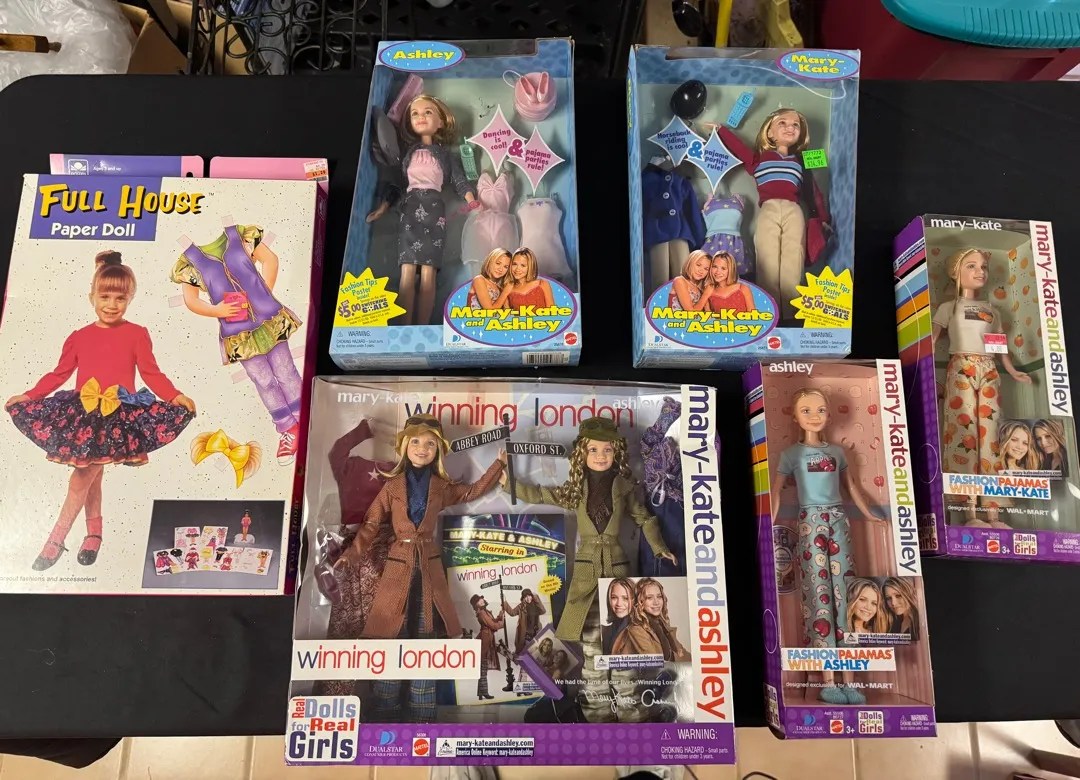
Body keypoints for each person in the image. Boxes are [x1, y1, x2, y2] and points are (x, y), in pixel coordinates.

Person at [6, 251, 195, 571]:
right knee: (90, 477)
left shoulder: (137, 334)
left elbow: (151, 374)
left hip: (118, 416)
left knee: (83, 475)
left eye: (120, 298)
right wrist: (29, 395)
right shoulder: (79, 337)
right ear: (91, 296)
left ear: (131, 297)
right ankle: (93, 534)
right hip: (83, 414)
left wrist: (175, 396)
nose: (112, 304)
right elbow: (59, 374)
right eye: (104, 296)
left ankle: (56, 539)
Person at [335, 414, 504, 722]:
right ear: (404, 446)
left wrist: (498, 465)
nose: (422, 449)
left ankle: (422, 716)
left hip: (428, 565)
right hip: (398, 564)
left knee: (427, 639)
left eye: (429, 444)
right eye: (415, 441)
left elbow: (471, 492)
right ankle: (385, 712)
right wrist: (352, 554)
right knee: (391, 636)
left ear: (438, 450)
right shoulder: (392, 486)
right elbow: (372, 522)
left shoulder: (441, 486)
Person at [769, 388, 886, 705]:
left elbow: (852, 488)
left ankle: (851, 680)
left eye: (820, 410)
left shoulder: (837, 452)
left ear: (830, 415)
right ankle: (828, 680)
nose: (814, 416)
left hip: (838, 519)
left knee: (846, 593)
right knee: (817, 593)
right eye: (806, 410)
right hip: (809, 522)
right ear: (795, 417)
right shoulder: (790, 455)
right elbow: (776, 492)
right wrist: (768, 522)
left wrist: (869, 515)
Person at [173, 223, 303, 465]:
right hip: (237, 333)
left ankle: (304, 417)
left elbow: (270, 260)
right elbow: (191, 300)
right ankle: (288, 427)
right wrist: (217, 310)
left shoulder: (240, 235)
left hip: (268, 321)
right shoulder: (189, 260)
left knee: (286, 371)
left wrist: (263, 294)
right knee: (263, 380)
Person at [932, 247, 1030, 528]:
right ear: (956, 273)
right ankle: (969, 512)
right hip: (960, 367)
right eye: (971, 266)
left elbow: (998, 346)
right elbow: (931, 341)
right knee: (962, 433)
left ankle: (993, 512)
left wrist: (1013, 371)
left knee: (992, 435)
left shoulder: (991, 310)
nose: (980, 272)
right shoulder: (948, 308)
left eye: (983, 267)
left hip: (989, 369)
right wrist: (923, 369)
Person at [367, 95, 478, 325]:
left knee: (428, 272)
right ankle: (405, 327)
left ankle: (422, 326)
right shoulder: (407, 154)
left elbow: (459, 180)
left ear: (441, 122)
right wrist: (383, 207)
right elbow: (398, 185)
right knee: (407, 271)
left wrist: (471, 198)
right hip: (409, 210)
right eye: (415, 114)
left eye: (428, 112)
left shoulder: (445, 155)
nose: (421, 117)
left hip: (434, 210)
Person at [714, 108, 828, 320]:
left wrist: (822, 218)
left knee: (793, 259)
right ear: (770, 132)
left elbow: (813, 192)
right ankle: (770, 314)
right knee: (767, 260)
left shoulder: (801, 161)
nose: (790, 127)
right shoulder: (758, 160)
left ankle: (792, 316)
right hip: (768, 210)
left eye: (795, 125)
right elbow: (739, 149)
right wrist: (721, 130)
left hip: (794, 211)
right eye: (782, 123)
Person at [613, 578, 691, 662]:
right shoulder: (636, 630)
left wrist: (678, 655)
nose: (656, 602)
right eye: (649, 598)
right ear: (640, 601)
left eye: (659, 596)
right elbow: (656, 662)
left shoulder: (662, 626)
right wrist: (678, 655)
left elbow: (689, 658)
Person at [471, 594, 504, 701]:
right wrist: (502, 623)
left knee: (483, 667)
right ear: (476, 605)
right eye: (479, 601)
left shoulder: (485, 611)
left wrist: (500, 616)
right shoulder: (482, 613)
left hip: (488, 638)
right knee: (483, 667)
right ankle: (484, 692)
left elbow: (493, 621)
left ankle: (481, 692)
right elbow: (493, 626)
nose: (482, 601)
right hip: (485, 640)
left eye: (481, 599)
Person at [601, 578, 635, 655]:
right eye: (614, 597)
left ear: (634, 600)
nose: (619, 604)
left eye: (625, 598)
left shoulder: (638, 630)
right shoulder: (604, 631)